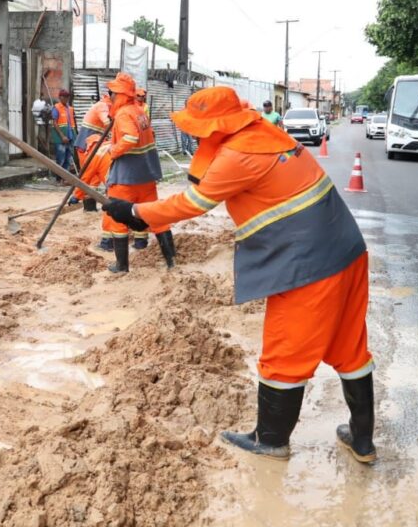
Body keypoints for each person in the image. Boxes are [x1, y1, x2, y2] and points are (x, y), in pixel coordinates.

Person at [104, 86, 374, 463]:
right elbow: (203, 171)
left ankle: (271, 440)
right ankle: (363, 441)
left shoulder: (238, 155)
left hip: (308, 264)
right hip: (347, 248)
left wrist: (135, 214)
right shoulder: (264, 133)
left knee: (284, 353)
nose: (195, 136)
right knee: (350, 346)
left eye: (200, 130)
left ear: (217, 127)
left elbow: (193, 203)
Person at [103, 72, 174, 270]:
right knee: (156, 216)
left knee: (117, 218)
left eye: (113, 92)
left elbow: (130, 138)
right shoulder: (140, 111)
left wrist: (113, 151)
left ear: (120, 94)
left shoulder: (124, 113)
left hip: (126, 177)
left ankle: (121, 265)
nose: (111, 96)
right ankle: (171, 260)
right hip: (146, 174)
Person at [73, 133, 113, 249]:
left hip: (115, 185)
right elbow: (94, 179)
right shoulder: (111, 145)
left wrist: (76, 196)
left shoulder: (95, 155)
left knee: (110, 212)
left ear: (89, 146)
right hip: (135, 182)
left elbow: (85, 179)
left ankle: (107, 243)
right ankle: (140, 241)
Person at [72, 93, 112, 210]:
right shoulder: (103, 106)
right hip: (87, 146)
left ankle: (91, 206)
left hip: (94, 146)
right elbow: (108, 122)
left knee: (91, 177)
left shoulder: (106, 106)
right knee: (92, 178)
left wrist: (76, 196)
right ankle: (90, 207)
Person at [50, 89, 77, 175]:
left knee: (68, 159)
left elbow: (73, 123)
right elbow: (54, 122)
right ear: (60, 97)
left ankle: (65, 178)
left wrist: (75, 136)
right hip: (61, 139)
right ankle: (59, 178)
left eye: (67, 97)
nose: (66, 98)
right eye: (64, 96)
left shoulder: (70, 109)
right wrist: (62, 136)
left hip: (70, 137)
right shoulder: (56, 108)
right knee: (60, 159)